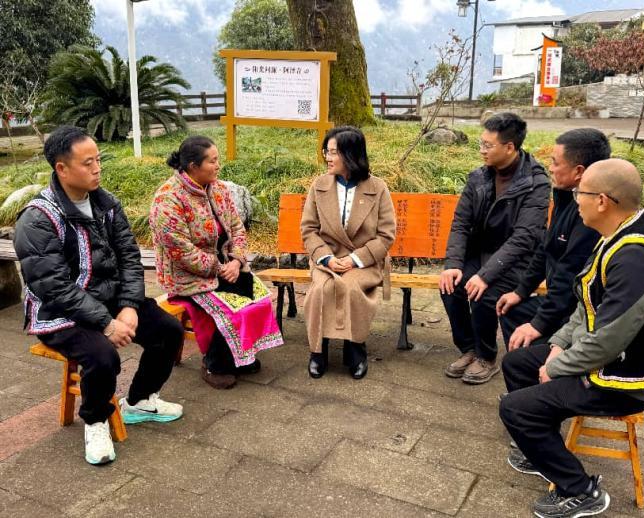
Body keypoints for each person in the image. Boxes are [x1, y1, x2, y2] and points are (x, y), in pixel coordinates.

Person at [499, 159, 644, 518]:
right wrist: (559, 344)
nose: (574, 198)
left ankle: (581, 491)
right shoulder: (620, 231)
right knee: (517, 363)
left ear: (602, 201)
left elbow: (608, 341)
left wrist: (557, 367)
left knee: (515, 409)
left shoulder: (636, 258)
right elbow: (587, 303)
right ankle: (541, 447)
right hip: (610, 355)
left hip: (628, 378)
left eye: (580, 192)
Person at [14, 126, 184, 466]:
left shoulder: (106, 204)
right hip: (60, 312)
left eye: (98, 160)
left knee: (168, 331)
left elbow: (129, 257)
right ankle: (94, 421)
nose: (97, 169)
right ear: (62, 169)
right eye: (87, 163)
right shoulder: (38, 219)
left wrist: (130, 306)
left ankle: (139, 401)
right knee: (102, 356)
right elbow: (53, 287)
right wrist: (107, 324)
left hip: (110, 299)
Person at [149, 136, 283, 390]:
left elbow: (238, 229)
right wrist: (220, 268)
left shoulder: (218, 189)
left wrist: (237, 261)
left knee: (259, 300)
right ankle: (215, 364)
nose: (218, 165)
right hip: (189, 276)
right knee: (231, 308)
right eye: (212, 161)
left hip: (226, 267)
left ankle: (240, 355)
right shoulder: (168, 199)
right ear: (193, 166)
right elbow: (181, 252)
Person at [440, 112, 550, 384]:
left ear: (509, 147)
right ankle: (469, 348)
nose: (482, 150)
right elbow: (461, 223)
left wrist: (485, 275)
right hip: (481, 253)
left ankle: (486, 357)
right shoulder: (479, 177)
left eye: (488, 145)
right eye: (481, 143)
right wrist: (453, 264)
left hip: (519, 261)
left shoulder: (536, 182)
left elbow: (524, 237)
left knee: (484, 295)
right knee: (451, 286)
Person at [496, 129, 611, 351]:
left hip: (580, 311)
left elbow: (569, 274)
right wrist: (520, 291)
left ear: (579, 171)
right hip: (560, 299)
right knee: (510, 309)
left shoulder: (591, 212)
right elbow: (546, 248)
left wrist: (538, 324)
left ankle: (542, 362)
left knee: (520, 358)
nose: (550, 168)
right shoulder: (566, 196)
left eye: (555, 162)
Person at [301, 126, 396, 380]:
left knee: (351, 288)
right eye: (327, 151)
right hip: (327, 259)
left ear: (351, 154)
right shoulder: (319, 186)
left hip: (364, 261)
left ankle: (355, 349)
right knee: (320, 290)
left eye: (333, 152)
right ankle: (317, 351)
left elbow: (386, 235)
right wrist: (327, 258)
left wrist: (354, 260)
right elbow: (308, 230)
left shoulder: (378, 188)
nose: (327, 157)